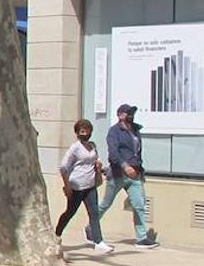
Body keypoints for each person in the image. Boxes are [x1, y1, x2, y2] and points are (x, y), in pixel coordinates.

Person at [94, 104, 158, 249]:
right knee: (105, 204)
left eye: (132, 113)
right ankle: (91, 227)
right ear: (120, 115)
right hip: (118, 174)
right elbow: (113, 153)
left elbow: (137, 153)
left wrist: (139, 171)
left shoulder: (135, 130)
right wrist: (125, 166)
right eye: (128, 113)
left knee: (139, 205)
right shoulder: (114, 132)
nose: (131, 115)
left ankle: (141, 238)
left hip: (135, 174)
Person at [58, 119, 113, 255]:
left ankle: (98, 241)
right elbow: (63, 167)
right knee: (70, 212)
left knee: (94, 213)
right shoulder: (75, 148)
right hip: (77, 185)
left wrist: (99, 165)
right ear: (77, 133)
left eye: (87, 131)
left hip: (90, 185)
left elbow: (96, 159)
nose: (85, 133)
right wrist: (67, 186)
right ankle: (57, 234)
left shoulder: (92, 146)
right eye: (82, 131)